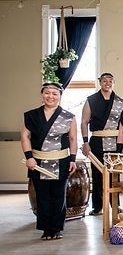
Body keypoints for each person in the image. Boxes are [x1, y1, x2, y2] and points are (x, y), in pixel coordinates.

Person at [21, 82, 77, 240]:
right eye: (47, 93)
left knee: (59, 195)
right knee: (42, 196)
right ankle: (46, 229)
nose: (50, 96)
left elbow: (73, 139)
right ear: (42, 94)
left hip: (61, 161)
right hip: (37, 162)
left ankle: (57, 228)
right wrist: (29, 157)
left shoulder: (68, 116)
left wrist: (72, 159)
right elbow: (25, 136)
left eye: (54, 93)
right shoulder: (31, 115)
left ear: (60, 96)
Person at [81, 72, 123, 215]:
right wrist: (85, 142)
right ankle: (98, 206)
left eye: (110, 81)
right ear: (100, 82)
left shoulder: (120, 102)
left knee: (114, 174)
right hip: (96, 142)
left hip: (115, 142)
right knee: (97, 173)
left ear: (114, 83)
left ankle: (115, 205)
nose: (107, 83)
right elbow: (84, 122)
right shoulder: (91, 100)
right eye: (104, 80)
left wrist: (122, 144)